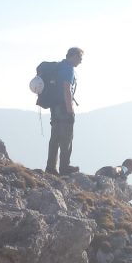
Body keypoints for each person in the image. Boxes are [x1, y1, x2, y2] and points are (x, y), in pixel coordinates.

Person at [45, 47, 84, 175]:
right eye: (80, 58)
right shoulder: (68, 68)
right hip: (63, 107)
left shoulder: (59, 66)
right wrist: (70, 111)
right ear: (73, 56)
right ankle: (64, 167)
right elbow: (66, 89)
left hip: (54, 107)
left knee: (55, 137)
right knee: (66, 137)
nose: (81, 61)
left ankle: (50, 168)